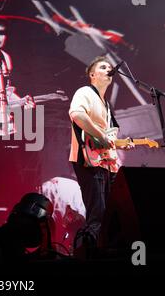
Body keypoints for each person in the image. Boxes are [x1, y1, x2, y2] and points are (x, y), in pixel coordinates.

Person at [68, 56, 133, 255]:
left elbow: (108, 138)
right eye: (103, 67)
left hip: (107, 164)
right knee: (97, 214)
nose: (108, 70)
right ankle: (88, 255)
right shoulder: (85, 92)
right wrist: (100, 134)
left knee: (112, 215)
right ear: (92, 74)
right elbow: (77, 114)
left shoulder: (106, 105)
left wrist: (121, 144)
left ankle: (107, 253)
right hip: (89, 161)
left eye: (110, 67)